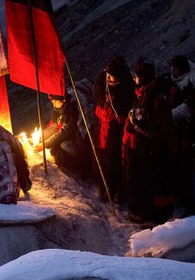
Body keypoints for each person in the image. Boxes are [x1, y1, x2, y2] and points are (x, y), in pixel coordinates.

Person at [121, 60, 175, 225]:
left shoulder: (155, 98)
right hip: (140, 148)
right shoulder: (144, 94)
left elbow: (158, 128)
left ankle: (151, 216)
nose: (134, 79)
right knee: (139, 180)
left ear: (143, 78)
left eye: (136, 76)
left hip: (152, 150)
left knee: (148, 182)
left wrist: (136, 122)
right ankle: (141, 212)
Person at [92, 56, 134, 203]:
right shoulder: (102, 81)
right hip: (101, 128)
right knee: (100, 159)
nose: (109, 79)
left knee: (113, 162)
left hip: (115, 132)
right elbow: (97, 99)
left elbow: (123, 111)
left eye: (112, 77)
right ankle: (102, 188)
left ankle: (113, 191)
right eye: (108, 76)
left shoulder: (127, 89)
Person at [164, 55, 195, 203]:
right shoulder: (175, 81)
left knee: (184, 161)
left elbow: (188, 107)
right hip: (176, 127)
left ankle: (187, 198)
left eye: (175, 68)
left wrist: (168, 114)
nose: (172, 70)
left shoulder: (192, 84)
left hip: (187, 128)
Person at [34, 91, 88, 180]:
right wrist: (40, 138)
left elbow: (64, 132)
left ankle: (79, 169)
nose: (53, 103)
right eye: (52, 101)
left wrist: (45, 144)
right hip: (70, 136)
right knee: (58, 144)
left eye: (55, 101)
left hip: (80, 140)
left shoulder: (72, 110)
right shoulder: (59, 109)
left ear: (63, 99)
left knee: (64, 145)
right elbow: (54, 126)